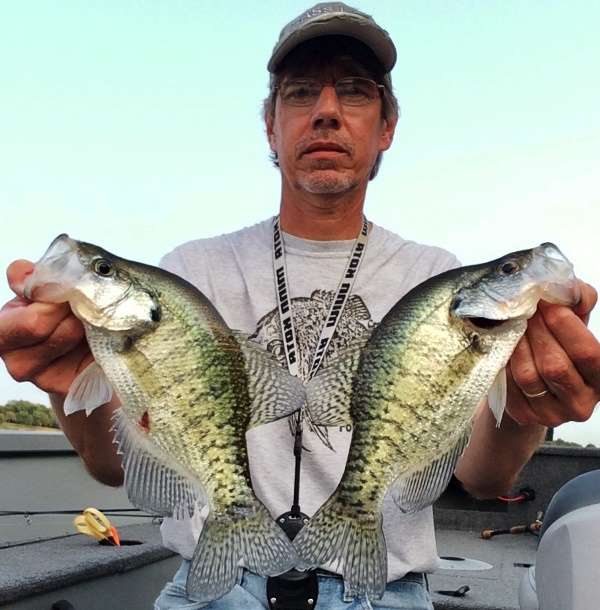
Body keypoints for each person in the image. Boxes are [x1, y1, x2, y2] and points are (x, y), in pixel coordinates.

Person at [1, 3, 599, 609]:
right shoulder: (189, 271)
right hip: (213, 588)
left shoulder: (434, 276)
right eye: (301, 92)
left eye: (356, 93)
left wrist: (532, 404)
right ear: (270, 124)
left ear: (387, 126)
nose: (327, 112)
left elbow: (483, 478)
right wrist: (65, 380)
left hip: (382, 591)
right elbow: (110, 466)